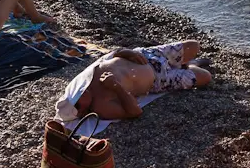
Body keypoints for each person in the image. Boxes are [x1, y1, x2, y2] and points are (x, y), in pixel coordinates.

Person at [73, 41, 212, 120]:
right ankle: (191, 65)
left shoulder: (86, 78)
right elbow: (135, 112)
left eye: (77, 93)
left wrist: (126, 52)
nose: (81, 92)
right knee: (206, 77)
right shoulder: (101, 106)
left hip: (148, 55)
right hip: (160, 78)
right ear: (81, 112)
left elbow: (110, 56)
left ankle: (185, 64)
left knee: (194, 45)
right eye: (78, 103)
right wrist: (116, 86)